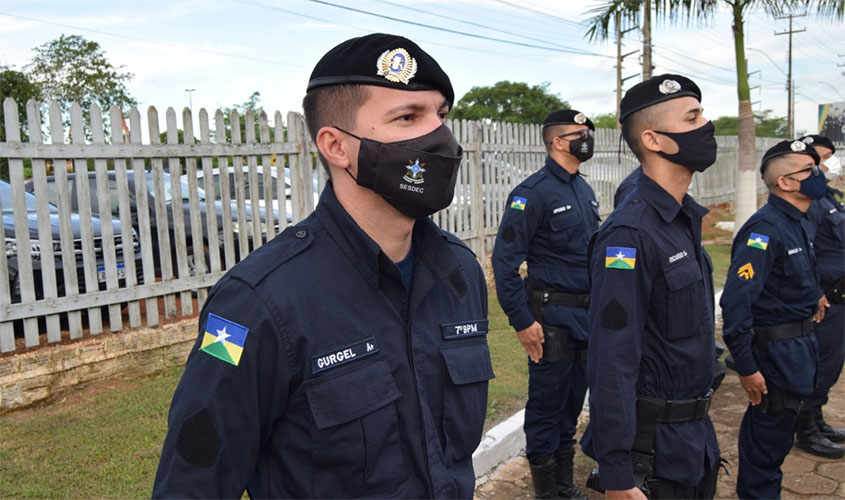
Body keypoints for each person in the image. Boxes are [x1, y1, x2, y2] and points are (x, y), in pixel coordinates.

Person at [152, 33, 493, 499]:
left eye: (441, 115)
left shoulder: (460, 273)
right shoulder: (257, 304)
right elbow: (192, 485)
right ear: (336, 146)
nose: (440, 138)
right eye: (408, 117)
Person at [582, 74, 721, 500]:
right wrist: (617, 473)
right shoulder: (630, 233)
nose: (707, 126)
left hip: (692, 438)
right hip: (653, 452)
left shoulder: (681, 219)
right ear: (655, 140)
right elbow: (612, 357)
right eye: (693, 117)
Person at [492, 109, 599, 499]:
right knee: (546, 407)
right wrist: (522, 322)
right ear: (557, 140)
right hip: (550, 319)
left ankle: (565, 486)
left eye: (588, 132)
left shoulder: (583, 190)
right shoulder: (531, 193)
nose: (587, 138)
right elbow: (504, 264)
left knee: (571, 407)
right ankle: (546, 492)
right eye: (580, 133)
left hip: (586, 318)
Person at [721, 140, 830, 499]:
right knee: (765, 445)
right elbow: (736, 304)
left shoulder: (795, 220)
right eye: (809, 171)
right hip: (775, 353)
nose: (819, 175)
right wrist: (748, 367)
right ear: (785, 182)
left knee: (779, 437)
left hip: (798, 347)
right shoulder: (764, 229)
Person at [795, 134, 845, 458]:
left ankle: (817, 418)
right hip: (824, 299)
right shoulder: (809, 203)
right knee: (818, 365)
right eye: (825, 158)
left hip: (839, 297)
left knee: (831, 365)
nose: (831, 163)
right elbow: (804, 250)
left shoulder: (830, 197)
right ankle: (806, 430)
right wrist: (814, 293)